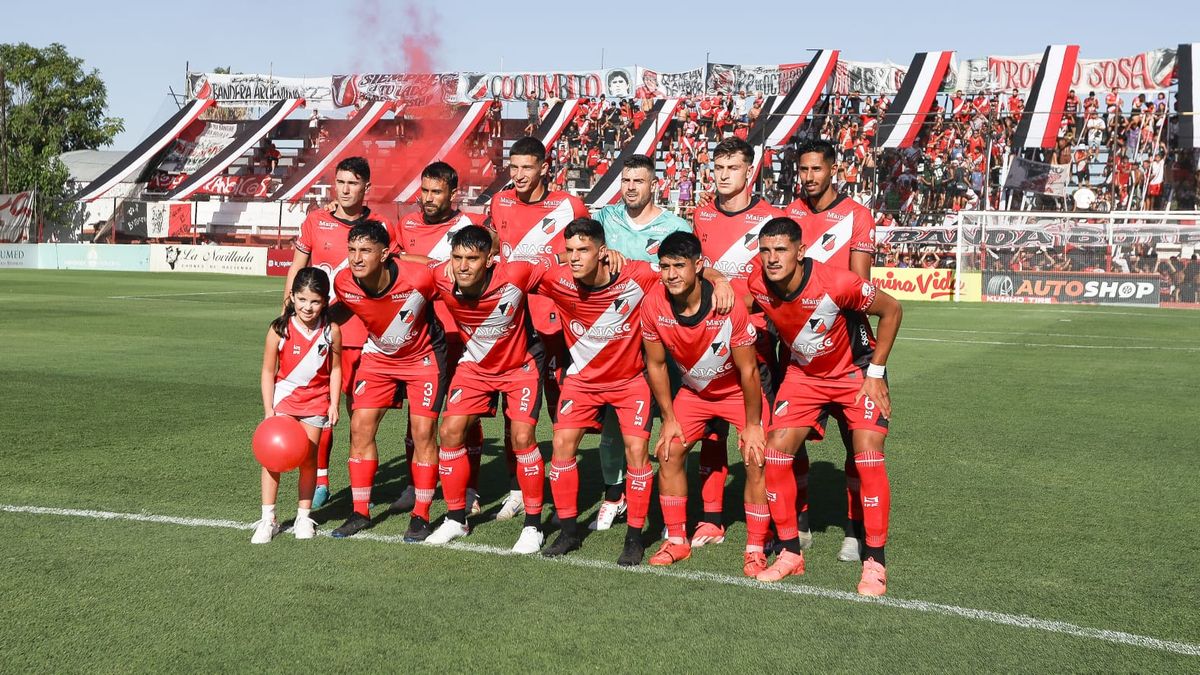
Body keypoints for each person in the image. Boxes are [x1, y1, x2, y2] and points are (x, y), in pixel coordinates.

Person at [534, 218, 727, 566]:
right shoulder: (555, 279)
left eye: (583, 250)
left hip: (629, 382)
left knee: (637, 452)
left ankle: (635, 538)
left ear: (603, 252)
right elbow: (515, 273)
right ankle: (568, 531)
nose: (575, 258)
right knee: (561, 447)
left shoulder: (637, 274)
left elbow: (681, 273)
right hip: (581, 380)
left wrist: (720, 280)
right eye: (570, 251)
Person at [745, 217, 901, 596]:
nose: (772, 259)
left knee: (867, 455)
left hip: (854, 374)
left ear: (801, 251)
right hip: (804, 377)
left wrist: (876, 372)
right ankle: (790, 554)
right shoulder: (756, 283)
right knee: (776, 453)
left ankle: (875, 561)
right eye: (765, 251)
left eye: (781, 250)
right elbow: (733, 288)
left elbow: (892, 309)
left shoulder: (838, 283)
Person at [642, 231, 772, 575]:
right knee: (668, 450)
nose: (671, 274)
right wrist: (668, 418)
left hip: (736, 393)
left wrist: (753, 424)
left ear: (699, 266)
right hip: (695, 393)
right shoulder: (654, 303)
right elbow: (655, 365)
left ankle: (757, 546)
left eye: (679, 266)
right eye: (665, 266)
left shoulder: (726, 305)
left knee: (757, 456)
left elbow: (748, 371)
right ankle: (676, 540)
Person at [420, 225, 550, 551]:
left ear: (490, 260)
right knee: (449, 430)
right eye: (457, 257)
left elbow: (560, 263)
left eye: (472, 259)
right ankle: (455, 520)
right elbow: (406, 267)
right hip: (476, 365)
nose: (462, 266)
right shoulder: (441, 277)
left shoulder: (516, 274)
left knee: (522, 437)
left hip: (520, 365)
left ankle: (534, 526)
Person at [784, 138, 879, 562]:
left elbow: (859, 286)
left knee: (856, 443)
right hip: (799, 346)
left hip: (847, 341)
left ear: (833, 169)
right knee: (790, 439)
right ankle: (800, 523)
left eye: (816, 169)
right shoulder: (790, 216)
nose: (808, 178)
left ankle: (855, 531)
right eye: (803, 170)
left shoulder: (857, 215)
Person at [588, 154, 695, 529]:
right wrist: (603, 251)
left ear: (654, 185)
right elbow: (579, 248)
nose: (631, 187)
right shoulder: (604, 219)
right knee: (614, 430)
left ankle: (670, 507)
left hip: (664, 342)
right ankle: (614, 497)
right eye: (626, 180)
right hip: (617, 343)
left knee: (671, 424)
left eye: (638, 181)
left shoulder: (675, 225)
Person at [285, 157, 398, 510]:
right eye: (340, 182)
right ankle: (321, 479)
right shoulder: (315, 221)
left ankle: (360, 483)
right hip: (324, 335)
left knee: (359, 417)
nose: (345, 189)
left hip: (367, 336)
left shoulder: (380, 227)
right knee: (322, 412)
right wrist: (287, 315)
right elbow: (297, 269)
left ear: (367, 187)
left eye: (353, 183)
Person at [690, 137, 785, 545]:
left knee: (761, 435)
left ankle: (773, 518)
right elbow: (701, 268)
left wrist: (740, 297)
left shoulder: (770, 218)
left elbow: (777, 277)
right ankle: (712, 519)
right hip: (707, 346)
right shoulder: (701, 216)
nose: (724, 175)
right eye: (718, 167)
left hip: (756, 344)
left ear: (750, 171)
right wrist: (717, 279)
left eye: (732, 168)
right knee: (712, 435)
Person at [488, 137, 589, 520]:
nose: (518, 175)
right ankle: (517, 488)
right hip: (511, 318)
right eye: (513, 168)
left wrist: (554, 257)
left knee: (560, 403)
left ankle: (567, 481)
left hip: (558, 317)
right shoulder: (501, 201)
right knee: (514, 411)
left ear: (544, 167)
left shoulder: (569, 205)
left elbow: (589, 246)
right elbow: (497, 240)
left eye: (526, 167)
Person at [328, 221, 445, 540]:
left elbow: (454, 284)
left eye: (365, 250)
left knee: (423, 432)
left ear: (385, 253)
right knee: (360, 427)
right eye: (351, 250)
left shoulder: (419, 278)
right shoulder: (343, 282)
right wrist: (306, 320)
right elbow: (341, 311)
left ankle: (421, 515)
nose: (356, 258)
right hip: (378, 357)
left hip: (423, 358)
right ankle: (360, 512)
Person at [389, 162, 488, 518]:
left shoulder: (471, 228)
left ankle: (471, 488)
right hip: (419, 335)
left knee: (466, 417)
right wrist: (431, 263)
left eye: (436, 192)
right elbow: (395, 264)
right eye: (425, 191)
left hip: (461, 332)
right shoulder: (407, 224)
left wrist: (420, 263)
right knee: (419, 417)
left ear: (452, 193)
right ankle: (415, 483)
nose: (428, 198)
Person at [254, 268, 342, 543]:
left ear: (325, 301)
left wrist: (334, 403)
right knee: (273, 460)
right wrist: (269, 411)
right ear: (292, 297)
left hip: (315, 404)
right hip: (283, 403)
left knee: (308, 460)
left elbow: (336, 369)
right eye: (302, 299)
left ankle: (304, 517)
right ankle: (268, 518)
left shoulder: (332, 330)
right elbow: (268, 371)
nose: (308, 307)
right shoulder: (279, 329)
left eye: (315, 301)